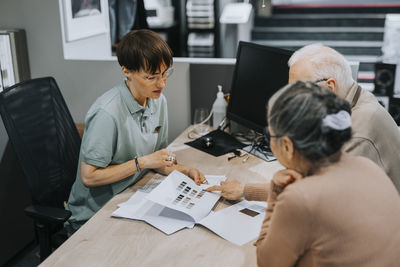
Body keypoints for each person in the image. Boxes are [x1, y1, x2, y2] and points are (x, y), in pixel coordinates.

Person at [208, 43, 400, 199]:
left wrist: (245, 191)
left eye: (297, 90)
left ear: (329, 87)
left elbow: (318, 192)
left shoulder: (358, 131)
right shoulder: (350, 99)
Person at [65, 29, 206, 234]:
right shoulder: (107, 113)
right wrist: (143, 162)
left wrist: (185, 171)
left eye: (165, 73)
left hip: (132, 196)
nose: (162, 83)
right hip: (95, 214)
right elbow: (89, 177)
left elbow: (158, 160)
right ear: (126, 71)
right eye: (151, 77)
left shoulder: (158, 101)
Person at [257, 81, 400, 266]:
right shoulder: (367, 165)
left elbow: (266, 262)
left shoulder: (299, 199)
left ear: (287, 146)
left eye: (269, 134)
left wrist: (276, 192)